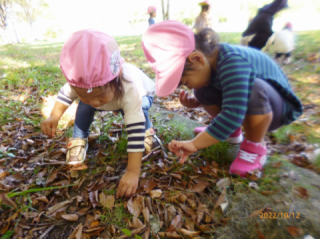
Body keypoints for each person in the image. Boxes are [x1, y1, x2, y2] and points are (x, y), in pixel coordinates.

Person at [142, 21, 302, 178]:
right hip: (251, 104)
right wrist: (197, 100)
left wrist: (195, 143)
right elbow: (227, 91)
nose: (186, 87)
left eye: (185, 82)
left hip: (278, 109)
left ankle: (254, 146)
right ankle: (231, 132)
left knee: (255, 89)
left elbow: (233, 114)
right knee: (200, 90)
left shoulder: (233, 62)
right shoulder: (210, 64)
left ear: (197, 59)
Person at [41, 29, 156, 198]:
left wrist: (133, 172)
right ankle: (79, 138)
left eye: (100, 95)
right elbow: (66, 94)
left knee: (136, 110)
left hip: (144, 96)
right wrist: (54, 116)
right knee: (85, 105)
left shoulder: (129, 86)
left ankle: (149, 128)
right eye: (82, 94)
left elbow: (134, 130)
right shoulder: (82, 84)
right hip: (115, 98)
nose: (94, 101)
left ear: (115, 79)